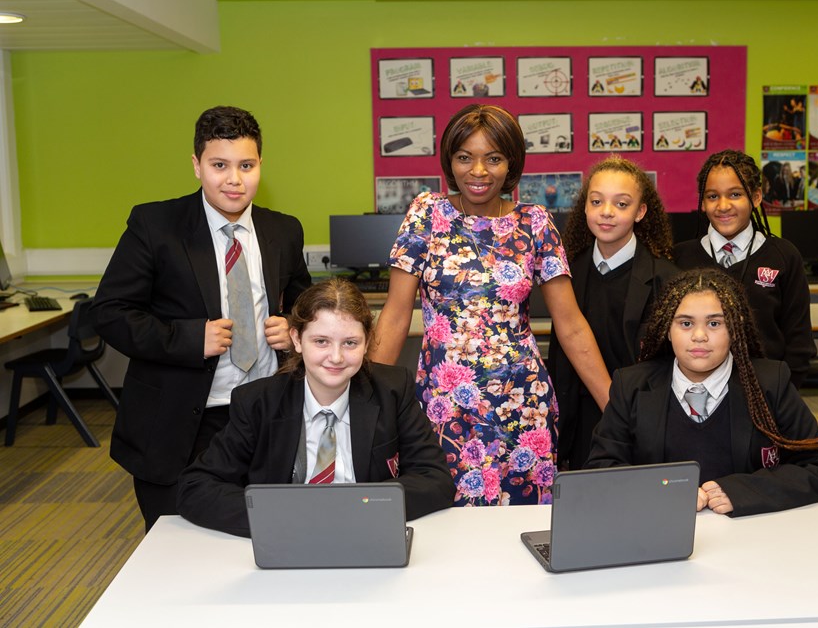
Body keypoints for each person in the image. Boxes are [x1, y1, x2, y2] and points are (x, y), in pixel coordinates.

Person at [369, 104, 611, 506]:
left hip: (521, 404)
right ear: (450, 160)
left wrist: (615, 408)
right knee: (444, 524)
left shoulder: (535, 222)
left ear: (511, 162)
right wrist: (367, 400)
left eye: (493, 158)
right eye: (465, 157)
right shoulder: (427, 214)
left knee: (524, 528)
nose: (478, 171)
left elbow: (570, 325)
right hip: (445, 406)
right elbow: (395, 316)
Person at [92, 106, 312, 532]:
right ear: (196, 166)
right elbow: (110, 313)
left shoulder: (284, 230)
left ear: (260, 165)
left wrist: (294, 327)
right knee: (178, 552)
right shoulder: (155, 225)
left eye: (246, 165)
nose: (234, 179)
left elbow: (303, 300)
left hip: (264, 416)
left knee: (266, 540)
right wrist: (190, 339)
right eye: (219, 165)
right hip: (181, 425)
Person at [177, 279, 455, 537]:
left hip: (365, 535)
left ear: (367, 342)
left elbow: (435, 480)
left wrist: (358, 509)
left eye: (350, 343)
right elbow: (196, 487)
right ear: (297, 340)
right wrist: (285, 517)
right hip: (288, 538)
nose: (335, 357)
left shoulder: (392, 391)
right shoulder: (259, 402)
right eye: (321, 341)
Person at [585, 269, 818, 517]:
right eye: (685, 323)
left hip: (750, 534)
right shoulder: (631, 385)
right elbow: (601, 469)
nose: (699, 336)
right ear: (666, 329)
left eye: (714, 323)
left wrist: (742, 491)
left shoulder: (770, 382)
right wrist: (666, 490)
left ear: (735, 327)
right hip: (659, 528)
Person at [549, 155, 679, 470]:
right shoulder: (564, 274)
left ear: (641, 212)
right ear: (584, 207)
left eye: (621, 204)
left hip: (640, 420)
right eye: (596, 201)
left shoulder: (666, 278)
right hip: (578, 422)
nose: (606, 212)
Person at [673, 149, 814, 388]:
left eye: (735, 194)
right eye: (712, 196)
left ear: (756, 197)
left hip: (766, 389)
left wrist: (785, 393)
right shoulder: (679, 258)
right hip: (695, 392)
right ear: (703, 203)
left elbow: (798, 339)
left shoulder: (783, 256)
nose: (723, 206)